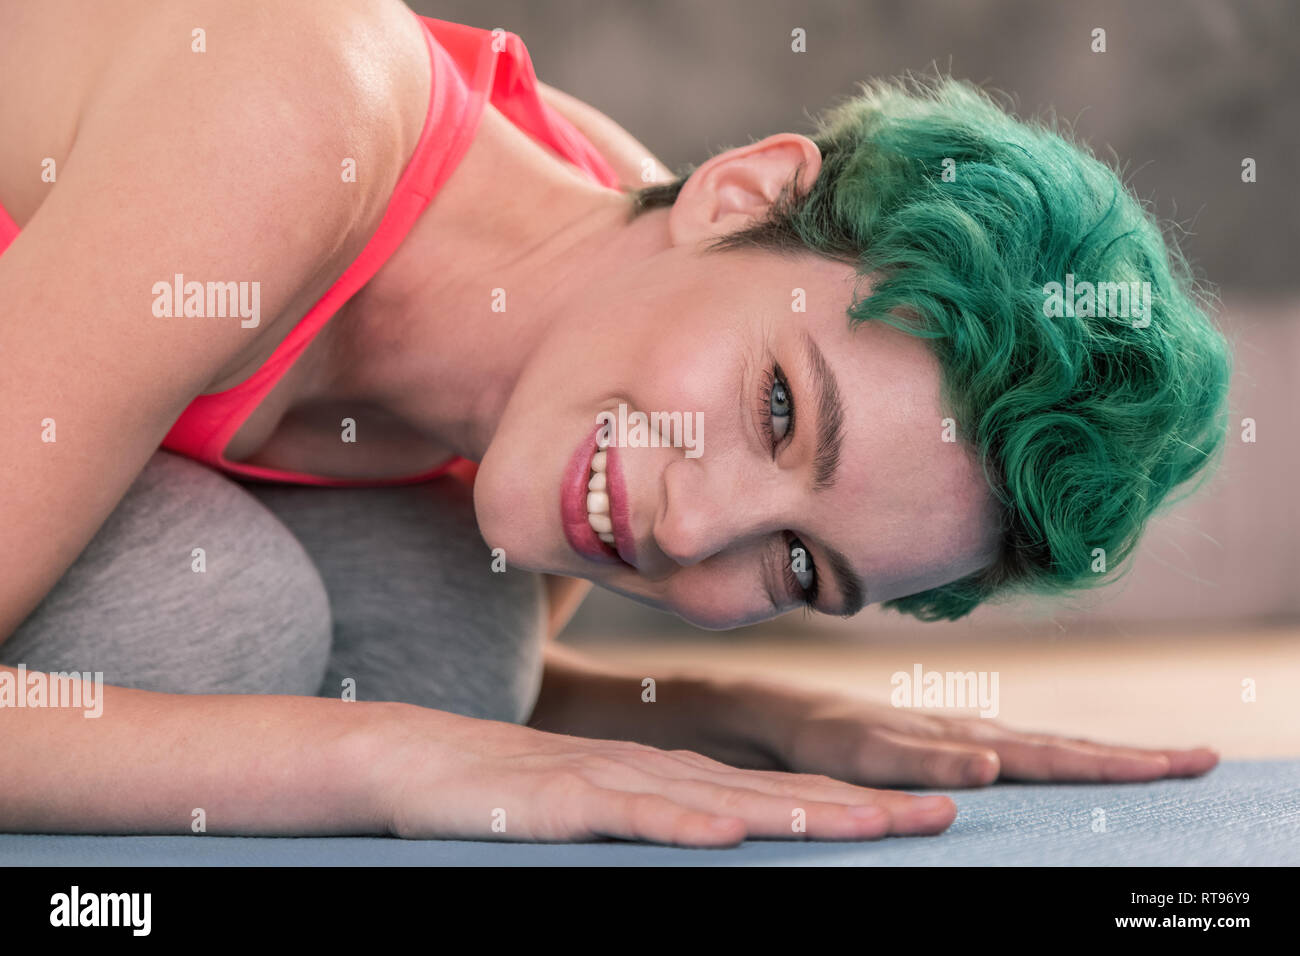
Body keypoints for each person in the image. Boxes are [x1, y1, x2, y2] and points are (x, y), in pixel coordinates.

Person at [0, 0, 1229, 846]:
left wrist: (726, 712)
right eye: (781, 407)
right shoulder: (288, 120)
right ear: (740, 193)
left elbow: (484, 705)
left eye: (801, 564)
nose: (692, 524)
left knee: (464, 641)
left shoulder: (609, 301)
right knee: (233, 617)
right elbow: (396, 745)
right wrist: (388, 763)